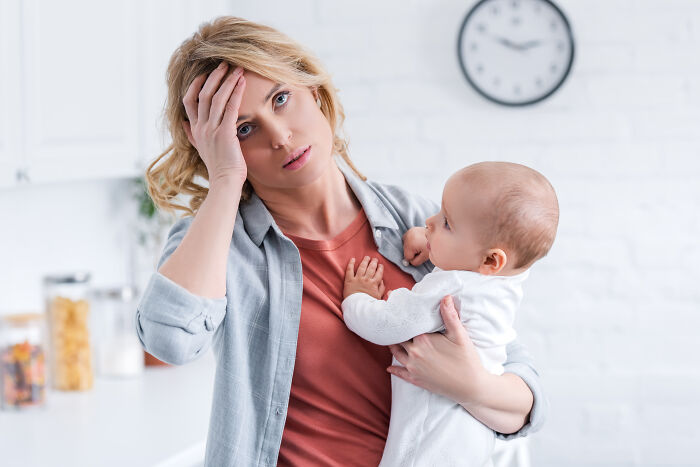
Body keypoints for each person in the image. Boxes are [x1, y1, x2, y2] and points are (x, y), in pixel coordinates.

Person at [136, 16, 547, 466]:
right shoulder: (220, 243)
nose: (279, 136)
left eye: (280, 98)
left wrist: (472, 386)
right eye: (243, 129)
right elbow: (169, 342)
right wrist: (225, 179)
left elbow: (522, 402)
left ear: (311, 89)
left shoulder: (420, 224)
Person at [341, 162, 559, 466]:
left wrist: (358, 298)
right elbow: (468, 255)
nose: (429, 221)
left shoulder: (452, 284)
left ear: (491, 259)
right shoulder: (505, 278)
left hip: (435, 423)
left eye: (446, 223)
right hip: (473, 426)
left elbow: (386, 324)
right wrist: (431, 240)